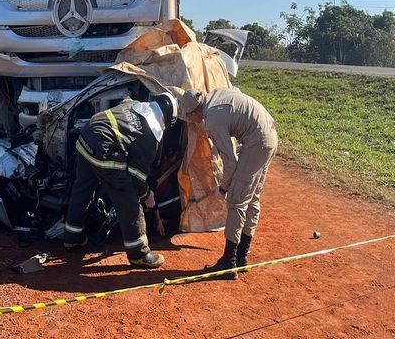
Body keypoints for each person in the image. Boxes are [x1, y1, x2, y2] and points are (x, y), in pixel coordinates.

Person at [63, 92, 178, 269]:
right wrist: (147, 195)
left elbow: (124, 101)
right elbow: (137, 177)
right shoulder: (150, 138)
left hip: (86, 137)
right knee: (129, 199)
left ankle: (72, 238)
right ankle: (139, 254)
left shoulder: (134, 105)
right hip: (104, 149)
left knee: (82, 190)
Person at [179, 87, 278, 279]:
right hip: (270, 135)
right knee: (252, 199)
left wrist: (223, 188)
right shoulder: (217, 96)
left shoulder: (213, 119)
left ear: (194, 113)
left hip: (257, 141)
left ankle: (229, 263)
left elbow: (230, 162)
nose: (191, 121)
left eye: (189, 117)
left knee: (237, 200)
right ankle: (241, 258)